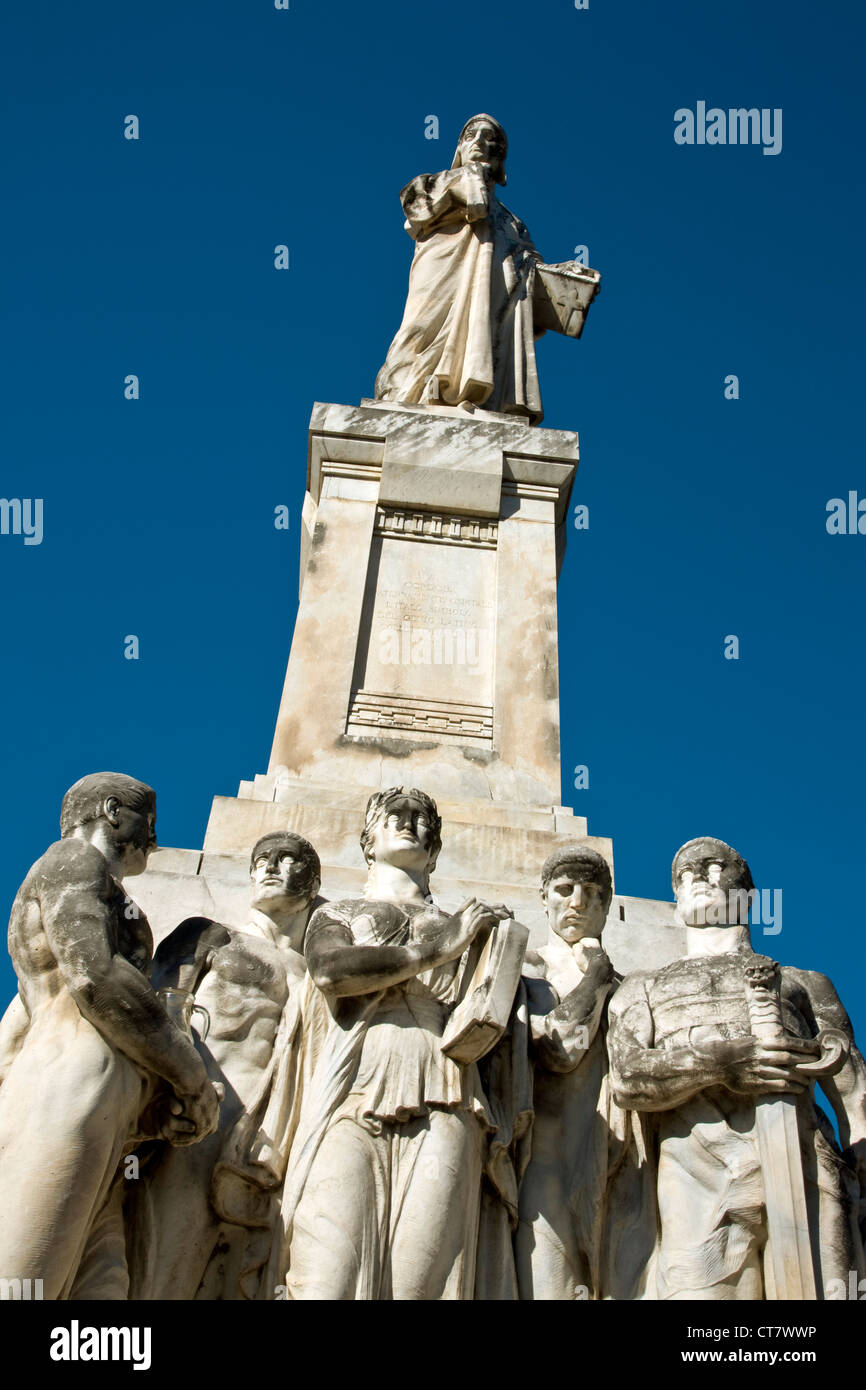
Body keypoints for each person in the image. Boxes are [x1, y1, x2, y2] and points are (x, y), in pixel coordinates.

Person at [282, 786, 518, 1300]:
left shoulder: (470, 925)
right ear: (368, 840)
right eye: (396, 815)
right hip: (354, 1080)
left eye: (423, 819)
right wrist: (439, 948)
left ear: (435, 848)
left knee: (423, 1279)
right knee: (325, 1273)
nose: (411, 823)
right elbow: (329, 972)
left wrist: (494, 951)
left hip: (447, 1087)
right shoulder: (338, 911)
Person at [607, 836, 866, 1299]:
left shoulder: (804, 982)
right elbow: (627, 1077)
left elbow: (853, 1090)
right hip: (696, 1170)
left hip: (805, 1163)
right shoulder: (644, 987)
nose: (698, 879)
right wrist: (722, 1064)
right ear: (676, 903)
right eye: (684, 877)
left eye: (712, 868)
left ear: (747, 892)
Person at [0, 773, 219, 1300]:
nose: (155, 839)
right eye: (151, 823)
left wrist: (154, 1105)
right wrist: (190, 1076)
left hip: (108, 1112)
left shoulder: (104, 884)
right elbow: (93, 974)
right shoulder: (73, 860)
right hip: (71, 1081)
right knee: (28, 1276)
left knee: (101, 1292)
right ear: (112, 809)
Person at [130, 831, 323, 1301]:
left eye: (287, 860)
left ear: (313, 881)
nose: (270, 868)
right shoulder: (211, 934)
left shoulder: (317, 974)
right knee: (166, 1264)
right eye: (261, 860)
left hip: (283, 1132)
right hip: (205, 1112)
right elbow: (153, 1014)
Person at [375, 114, 589, 424]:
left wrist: (560, 278)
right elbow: (417, 208)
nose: (478, 142)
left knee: (483, 340)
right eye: (471, 136)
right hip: (439, 277)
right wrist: (468, 179)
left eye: (490, 140)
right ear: (460, 146)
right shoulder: (433, 184)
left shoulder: (511, 222)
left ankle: (471, 395)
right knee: (417, 332)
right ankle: (403, 391)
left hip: (487, 303)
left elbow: (528, 269)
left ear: (500, 159)